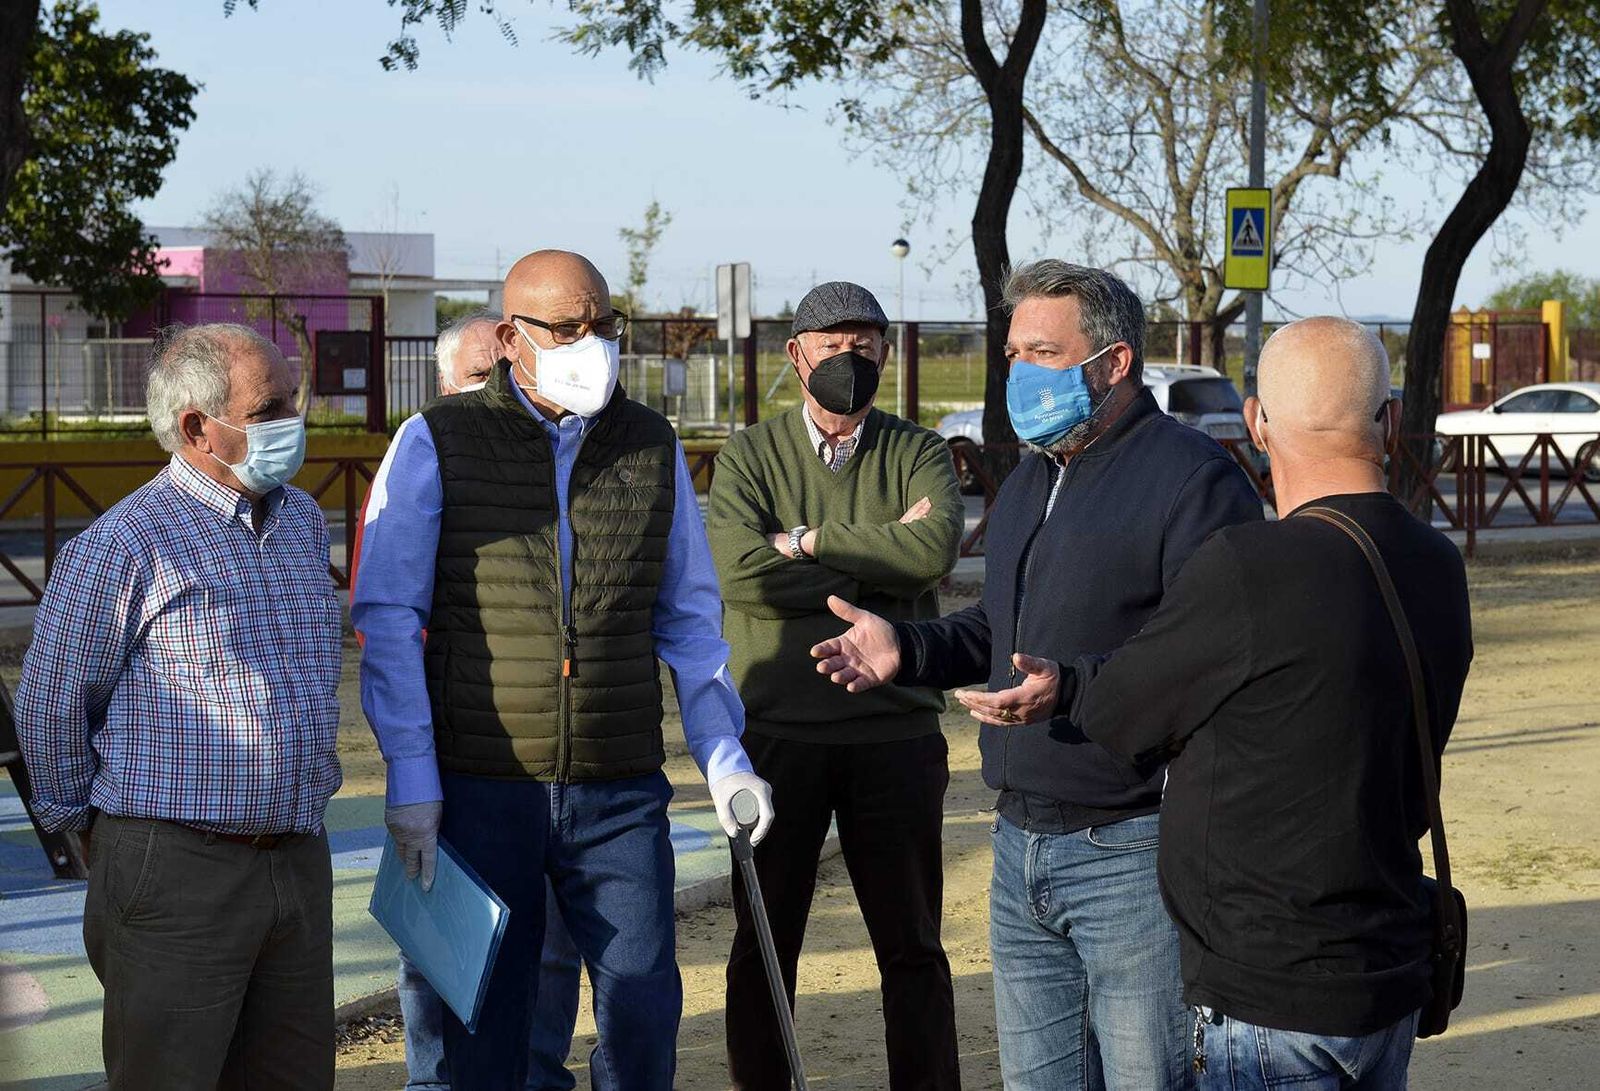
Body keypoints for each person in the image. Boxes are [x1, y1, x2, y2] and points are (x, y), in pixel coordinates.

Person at [811, 261, 1262, 1089]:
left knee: (1147, 1078)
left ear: (1114, 362)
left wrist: (1074, 685)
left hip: (1133, 846)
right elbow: (998, 631)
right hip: (1018, 842)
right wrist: (903, 649)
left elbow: (1203, 658)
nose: (1019, 371)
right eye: (1013, 352)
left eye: (1043, 351)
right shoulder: (1033, 474)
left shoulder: (1196, 480)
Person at [353, 249, 774, 1091]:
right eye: (567, 327)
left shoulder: (650, 444)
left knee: (644, 1004)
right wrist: (412, 775)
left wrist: (724, 754)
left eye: (603, 324)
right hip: (483, 783)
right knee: (488, 1022)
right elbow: (389, 615)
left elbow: (689, 615)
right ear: (512, 337)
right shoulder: (437, 439)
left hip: (617, 787)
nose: (592, 343)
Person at [1023, 318, 1473, 1088]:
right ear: (1389, 418)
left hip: (1270, 989)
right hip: (1387, 971)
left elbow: (1122, 714)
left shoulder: (1247, 567)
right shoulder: (1439, 563)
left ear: (1258, 422)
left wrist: (1073, 678)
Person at [15, 323, 342, 1090]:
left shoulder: (298, 519)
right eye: (271, 408)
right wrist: (79, 822)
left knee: (293, 1074)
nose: (294, 422)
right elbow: (52, 700)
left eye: (293, 400)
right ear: (198, 426)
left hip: (298, 853)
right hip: (177, 867)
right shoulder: (126, 543)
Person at [707, 281, 966, 1090]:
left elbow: (933, 553)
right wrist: (879, 549)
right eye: (833, 343)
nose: (850, 358)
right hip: (779, 735)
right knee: (763, 945)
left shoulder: (918, 447)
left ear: (886, 353)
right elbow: (739, 573)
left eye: (866, 343)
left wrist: (808, 540)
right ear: (797, 354)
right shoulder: (751, 454)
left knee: (913, 945)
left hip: (895, 735)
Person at [353, 310, 585, 1091]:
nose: (505, 390)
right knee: (442, 938)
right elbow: (389, 617)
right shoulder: (425, 450)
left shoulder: (557, 453)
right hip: (447, 745)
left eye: (510, 369)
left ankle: (538, 1072)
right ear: (449, 383)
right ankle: (436, 1080)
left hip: (539, 751)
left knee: (547, 939)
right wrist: (414, 754)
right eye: (485, 377)